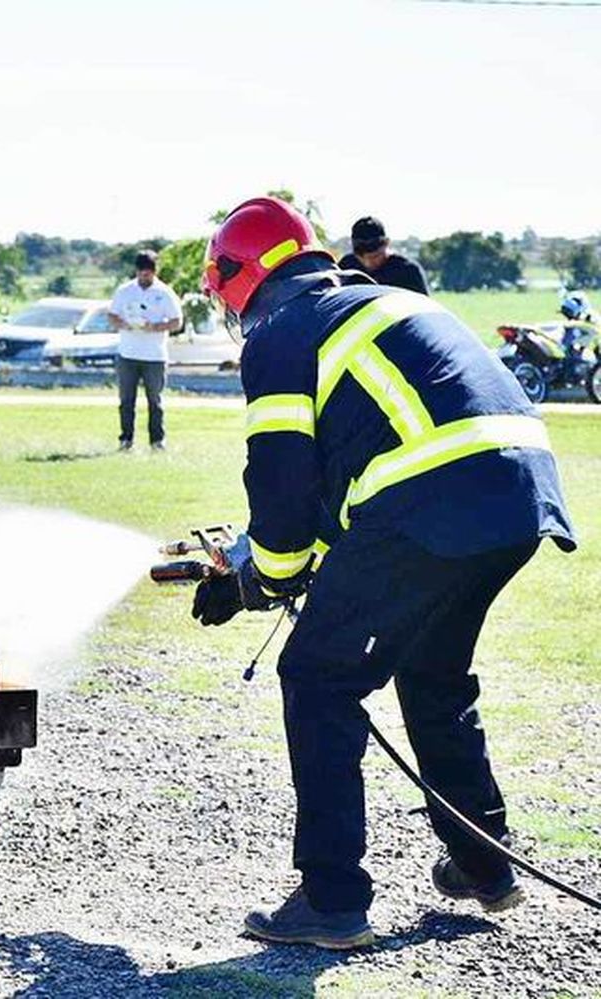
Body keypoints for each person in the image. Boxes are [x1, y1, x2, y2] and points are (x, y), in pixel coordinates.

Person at [194, 196, 574, 949]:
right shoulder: (384, 299)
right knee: (432, 673)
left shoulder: (279, 333)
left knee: (318, 676)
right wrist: (258, 561)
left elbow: (282, 485)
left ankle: (332, 900)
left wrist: (256, 578)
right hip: (519, 494)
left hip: (430, 496)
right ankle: (484, 862)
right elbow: (350, 478)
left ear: (239, 279)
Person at [108, 250, 183, 451]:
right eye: (142, 274)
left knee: (155, 401)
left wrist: (156, 327)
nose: (145, 278)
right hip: (128, 354)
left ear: (154, 272)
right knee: (126, 401)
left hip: (154, 356)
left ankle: (157, 441)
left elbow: (177, 322)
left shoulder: (165, 293)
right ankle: (126, 440)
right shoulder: (124, 291)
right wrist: (123, 324)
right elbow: (112, 316)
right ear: (136, 271)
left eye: (148, 274)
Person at [337, 216, 429, 294]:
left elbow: (423, 308)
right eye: (361, 257)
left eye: (375, 257)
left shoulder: (408, 271)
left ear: (387, 243)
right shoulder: (346, 267)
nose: (368, 263)